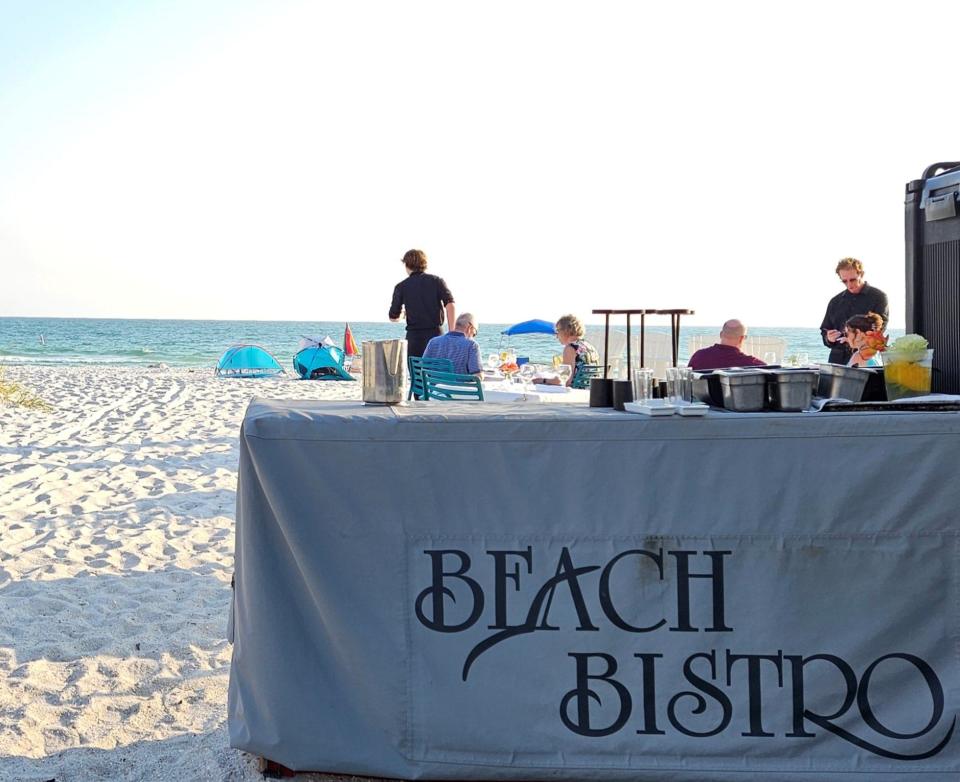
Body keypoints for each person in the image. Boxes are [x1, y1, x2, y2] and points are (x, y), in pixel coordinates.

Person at [388, 249, 456, 358]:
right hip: (436, 335)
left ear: (406, 265)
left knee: (416, 372)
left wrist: (403, 314)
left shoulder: (401, 287)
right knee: (437, 372)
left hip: (414, 339)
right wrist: (452, 332)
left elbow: (393, 317)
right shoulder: (437, 281)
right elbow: (450, 305)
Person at [820, 257, 888, 365]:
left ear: (861, 274)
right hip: (838, 359)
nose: (849, 285)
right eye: (844, 281)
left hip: (865, 356)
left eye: (853, 280)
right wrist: (829, 338)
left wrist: (854, 340)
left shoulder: (878, 297)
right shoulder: (835, 301)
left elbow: (879, 329)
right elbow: (824, 331)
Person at [687, 319, 766, 371]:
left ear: (721, 334)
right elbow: (771, 370)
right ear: (742, 338)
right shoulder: (752, 364)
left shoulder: (699, 356)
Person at [550, 314, 600, 387]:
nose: (556, 336)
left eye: (557, 331)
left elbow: (565, 380)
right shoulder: (590, 347)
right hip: (592, 391)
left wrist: (542, 380)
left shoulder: (570, 348)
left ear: (567, 330)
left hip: (575, 392)